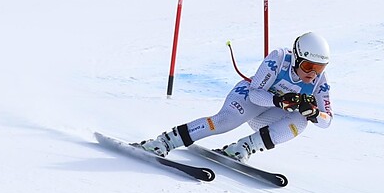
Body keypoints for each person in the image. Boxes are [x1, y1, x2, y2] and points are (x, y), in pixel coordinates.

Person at [138, 32, 333, 162]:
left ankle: (243, 148)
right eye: (308, 66)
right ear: (297, 58)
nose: (313, 74)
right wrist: (278, 101)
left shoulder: (319, 82)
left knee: (301, 120)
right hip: (250, 99)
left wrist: (315, 113)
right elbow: (255, 93)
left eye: (319, 68)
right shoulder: (279, 59)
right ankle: (164, 142)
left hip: (268, 116)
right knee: (225, 121)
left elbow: (327, 121)